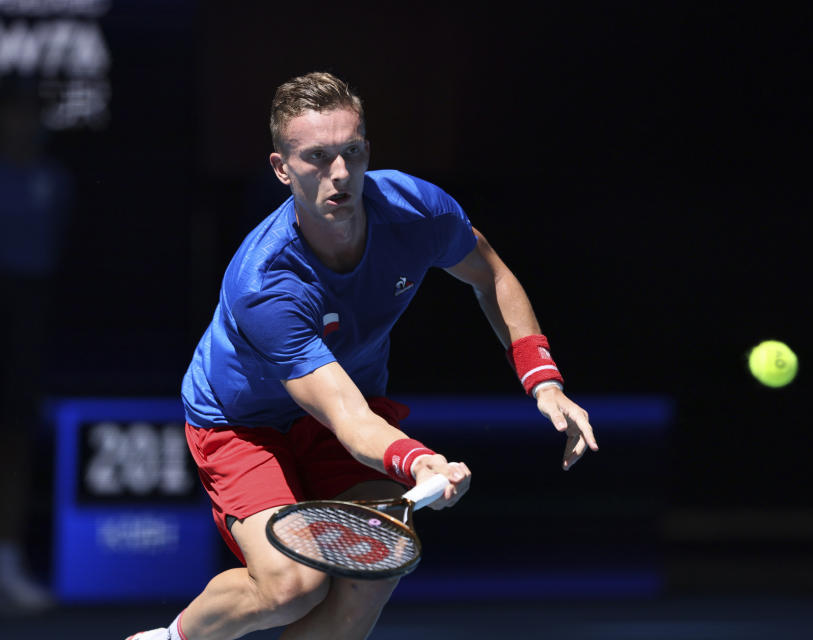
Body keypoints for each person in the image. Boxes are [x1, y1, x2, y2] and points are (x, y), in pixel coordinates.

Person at [127, 71, 597, 640]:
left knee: (373, 563)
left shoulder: (418, 210)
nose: (340, 174)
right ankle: (173, 638)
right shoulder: (266, 281)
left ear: (368, 149)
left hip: (350, 406)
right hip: (243, 423)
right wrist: (419, 462)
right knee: (291, 586)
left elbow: (489, 274)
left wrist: (542, 379)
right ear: (282, 169)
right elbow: (344, 415)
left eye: (351, 151)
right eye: (317, 157)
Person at [0, 79, 70, 615]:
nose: (24, 125)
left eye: (31, 115)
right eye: (14, 115)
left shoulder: (54, 180)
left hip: (27, 319)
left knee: (15, 441)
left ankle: (8, 562)